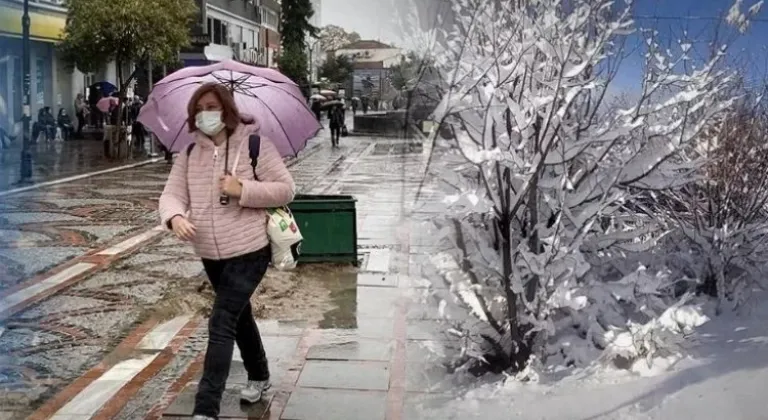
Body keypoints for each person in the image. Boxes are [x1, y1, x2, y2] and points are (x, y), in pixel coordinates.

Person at [158, 83, 295, 420]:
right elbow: (171, 195)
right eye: (200, 108)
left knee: (221, 322)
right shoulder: (189, 155)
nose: (206, 113)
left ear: (227, 110)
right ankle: (260, 375)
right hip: (210, 254)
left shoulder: (255, 146)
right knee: (239, 316)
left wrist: (242, 188)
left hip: (250, 251)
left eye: (212, 106)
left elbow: (286, 190)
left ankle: (206, 409)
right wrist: (174, 216)